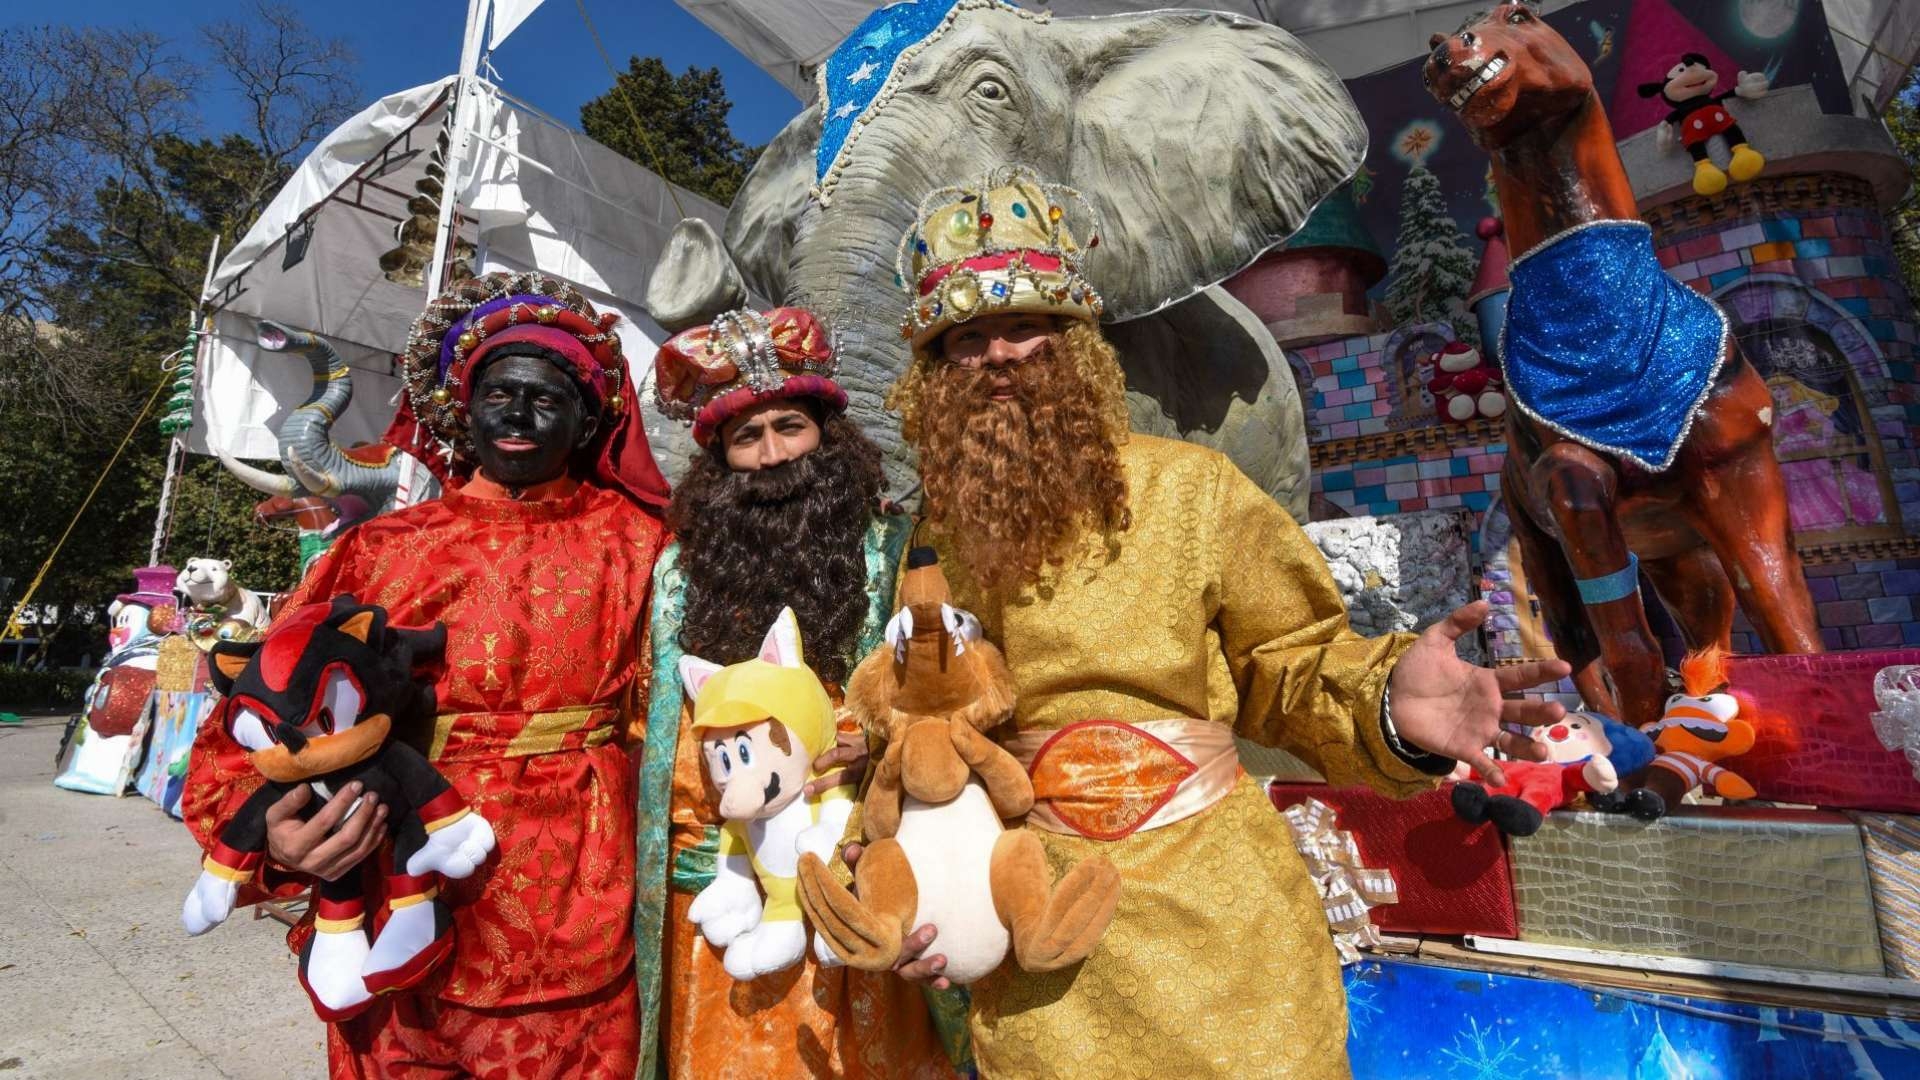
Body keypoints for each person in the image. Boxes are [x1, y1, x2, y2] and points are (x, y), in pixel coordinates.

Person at [868, 166, 1570, 1077]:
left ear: (1076, 347)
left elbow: (1295, 662)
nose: (999, 354)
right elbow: (913, 736)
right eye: (967, 338)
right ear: (936, 376)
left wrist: (1389, 702)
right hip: (1043, 944)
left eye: (1026, 326)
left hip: (1225, 931)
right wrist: (921, 890)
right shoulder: (927, 545)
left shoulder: (1191, 490)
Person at [181, 271, 671, 1078]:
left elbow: (694, 721)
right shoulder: (381, 549)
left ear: (588, 419)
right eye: (498, 394)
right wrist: (277, 838)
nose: (518, 415)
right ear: (461, 409)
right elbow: (264, 705)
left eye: (547, 398)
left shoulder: (642, 545)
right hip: (388, 880)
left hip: (577, 895)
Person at [636, 305, 963, 1078]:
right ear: (719, 461)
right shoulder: (680, 572)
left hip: (860, 865)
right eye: (747, 437)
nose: (774, 453)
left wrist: (872, 763)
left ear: (829, 434)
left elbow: (937, 695)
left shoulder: (895, 548)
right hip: (722, 881)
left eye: (791, 427)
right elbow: (658, 727)